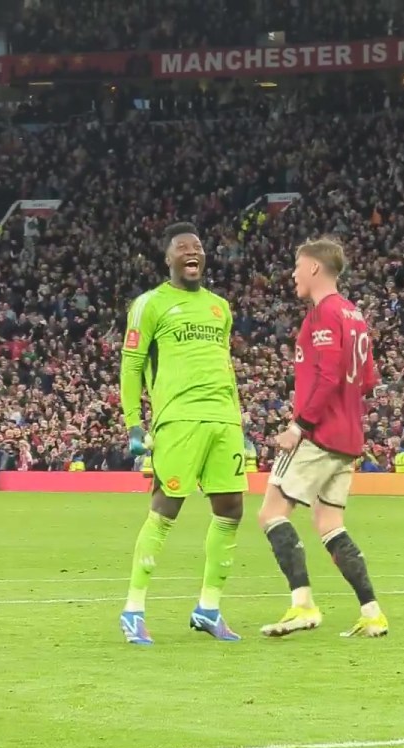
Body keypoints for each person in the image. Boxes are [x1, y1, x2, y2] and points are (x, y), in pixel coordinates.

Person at [119, 222, 246, 645]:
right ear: (168, 258)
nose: (192, 251)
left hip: (223, 420)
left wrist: (240, 423)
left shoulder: (220, 307)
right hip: (179, 419)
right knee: (166, 508)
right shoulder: (150, 304)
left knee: (230, 510)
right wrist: (134, 423)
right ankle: (133, 610)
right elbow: (132, 366)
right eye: (182, 247)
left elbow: (224, 366)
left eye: (198, 246)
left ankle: (208, 608)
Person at [258, 236, 388, 639]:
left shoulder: (323, 315)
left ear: (314, 267)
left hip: (319, 434)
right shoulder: (354, 314)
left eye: (297, 266)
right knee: (329, 523)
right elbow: (367, 380)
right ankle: (372, 612)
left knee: (271, 514)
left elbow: (330, 376)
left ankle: (303, 605)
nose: (293, 274)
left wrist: (299, 426)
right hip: (349, 437)